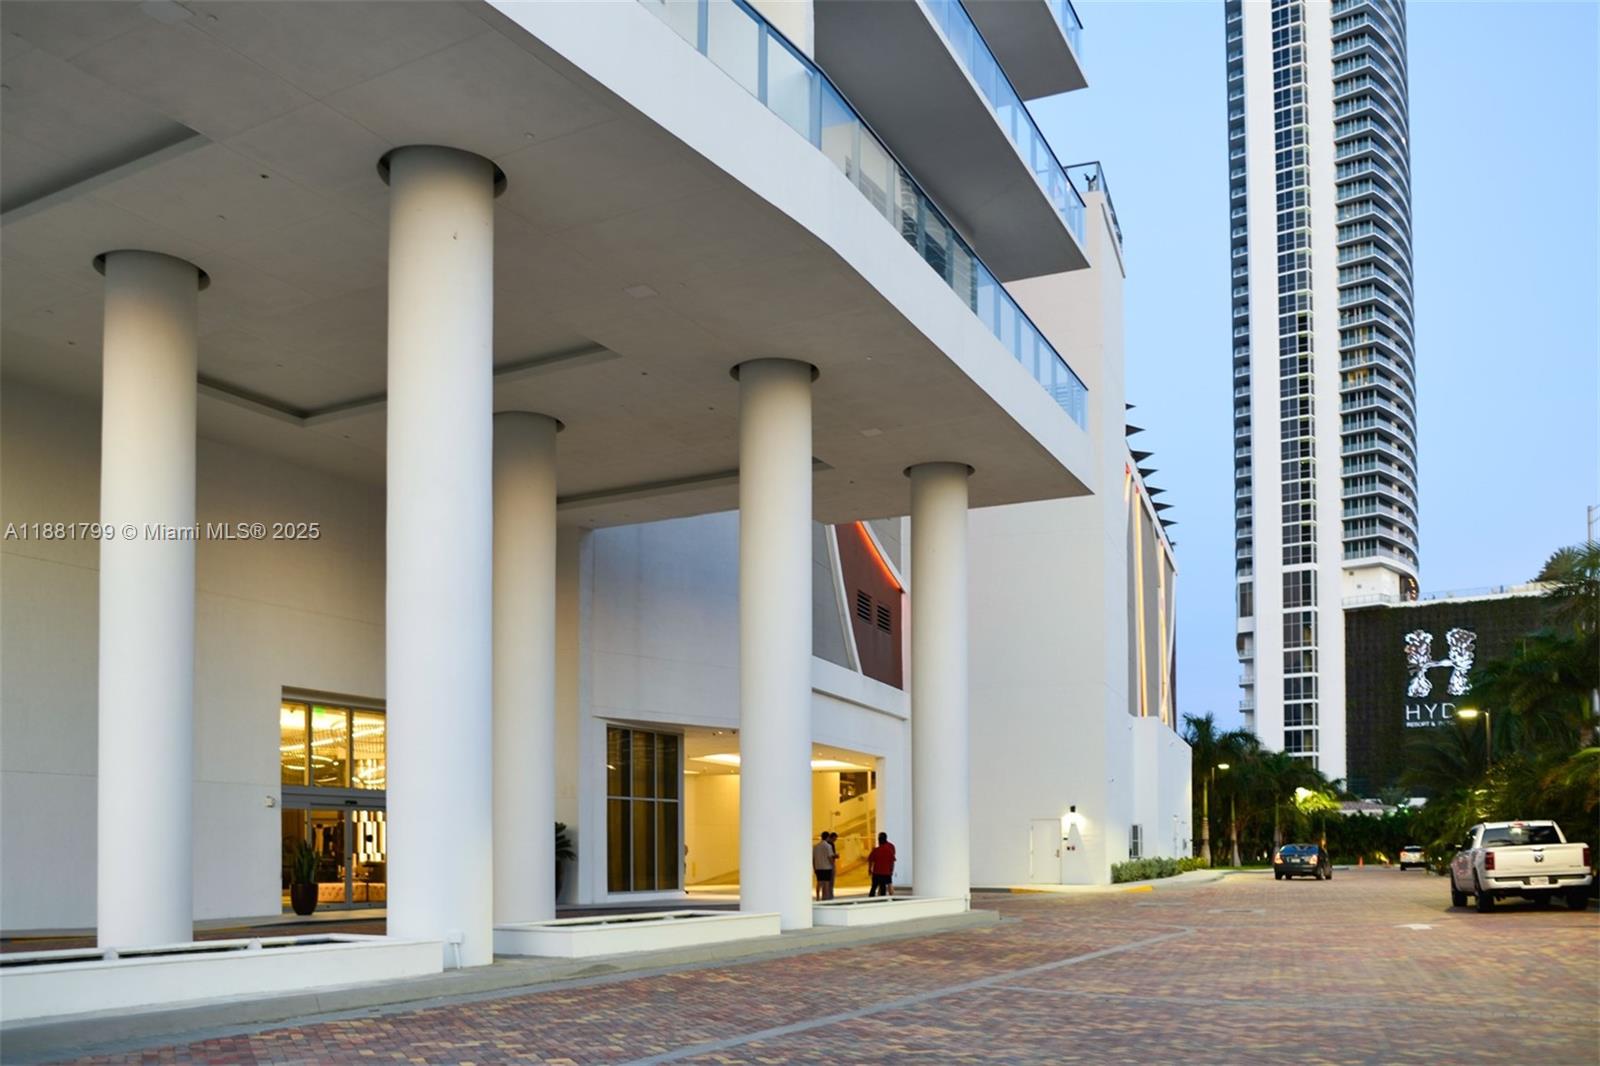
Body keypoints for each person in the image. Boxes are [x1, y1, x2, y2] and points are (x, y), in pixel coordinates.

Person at [867, 832, 896, 897]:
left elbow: (870, 860)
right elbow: (892, 861)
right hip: (886, 872)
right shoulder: (889, 850)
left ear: (879, 841)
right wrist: (891, 870)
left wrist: (869, 869)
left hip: (876, 872)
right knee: (883, 888)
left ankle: (870, 901)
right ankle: (884, 901)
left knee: (873, 887)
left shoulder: (875, 850)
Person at [813, 831, 834, 901]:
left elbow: (813, 858)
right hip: (827, 867)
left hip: (818, 867)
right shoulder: (828, 846)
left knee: (819, 882)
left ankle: (818, 897)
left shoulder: (816, 846)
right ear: (827, 837)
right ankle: (826, 897)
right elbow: (830, 857)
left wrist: (814, 867)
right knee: (826, 883)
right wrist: (832, 864)